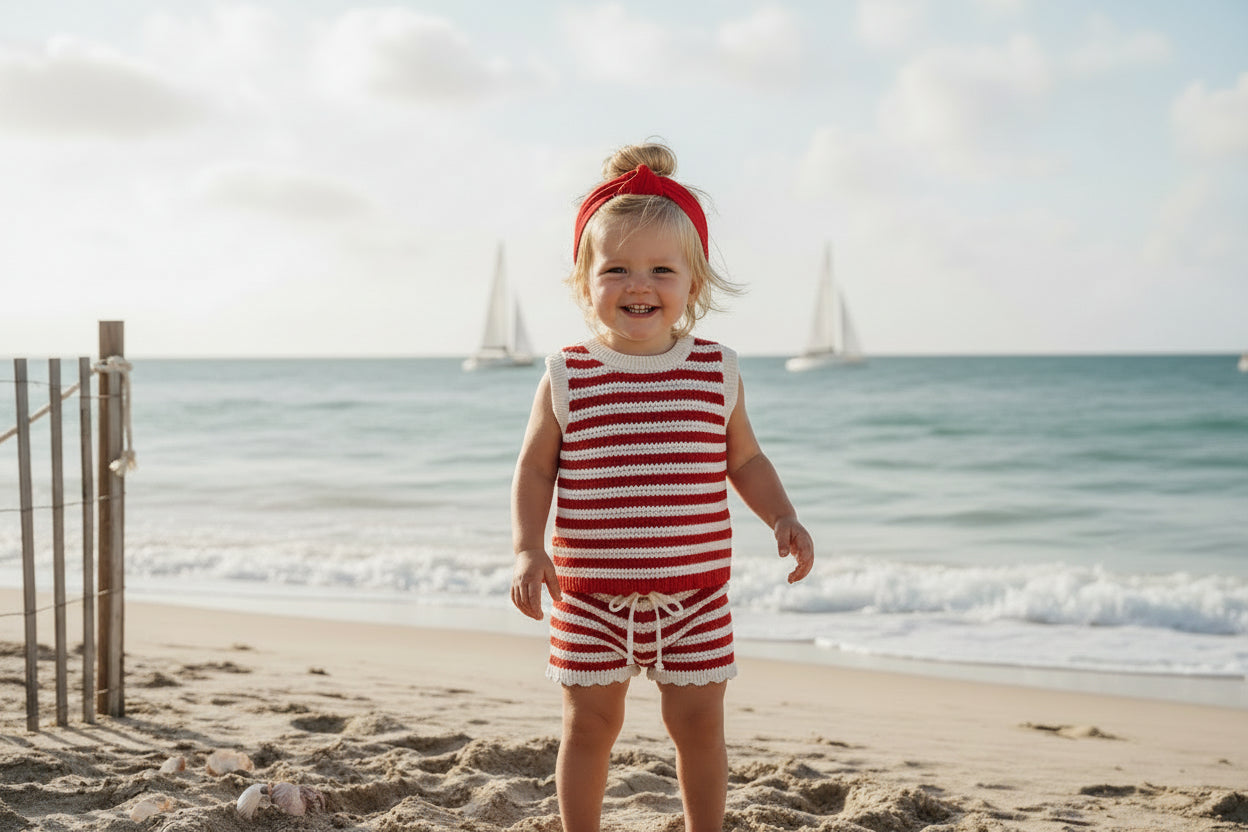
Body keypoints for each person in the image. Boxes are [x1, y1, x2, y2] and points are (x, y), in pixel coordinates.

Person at [510, 141, 815, 832]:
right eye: (615, 268)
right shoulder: (569, 373)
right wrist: (530, 549)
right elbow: (534, 468)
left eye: (660, 270)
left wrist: (782, 516)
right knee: (589, 727)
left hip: (695, 596)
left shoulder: (716, 370)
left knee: (700, 726)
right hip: (590, 597)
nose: (638, 284)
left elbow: (745, 461)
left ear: (694, 284)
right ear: (584, 282)